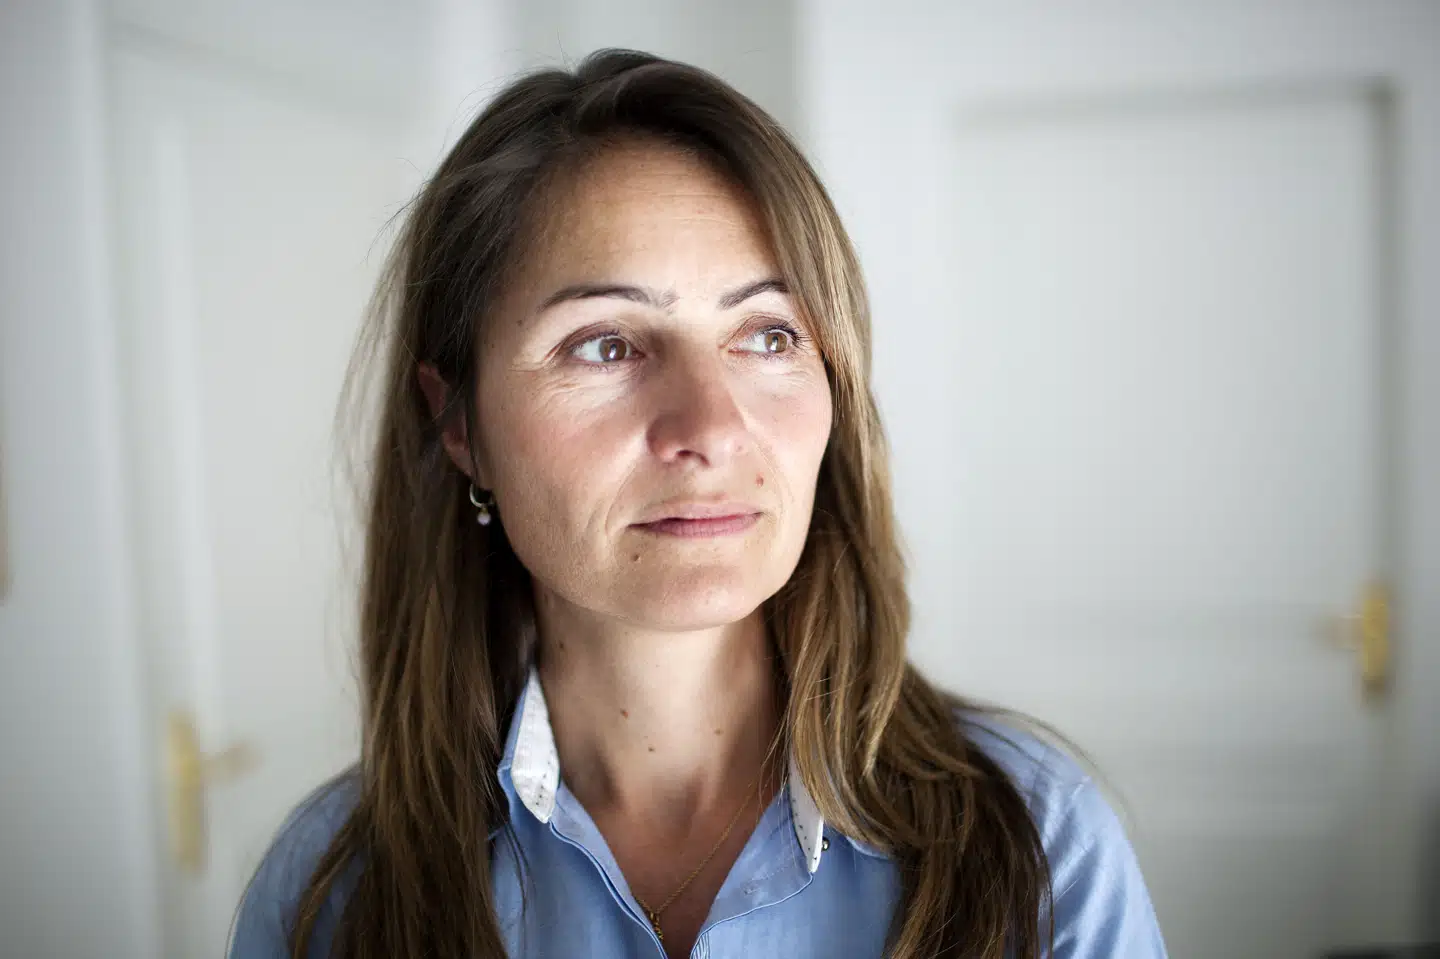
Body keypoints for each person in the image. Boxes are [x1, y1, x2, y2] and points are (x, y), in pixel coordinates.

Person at [228, 49, 1167, 959]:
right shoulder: (329, 896)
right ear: (459, 421)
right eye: (604, 345)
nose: (711, 427)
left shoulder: (1040, 842)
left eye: (767, 334)